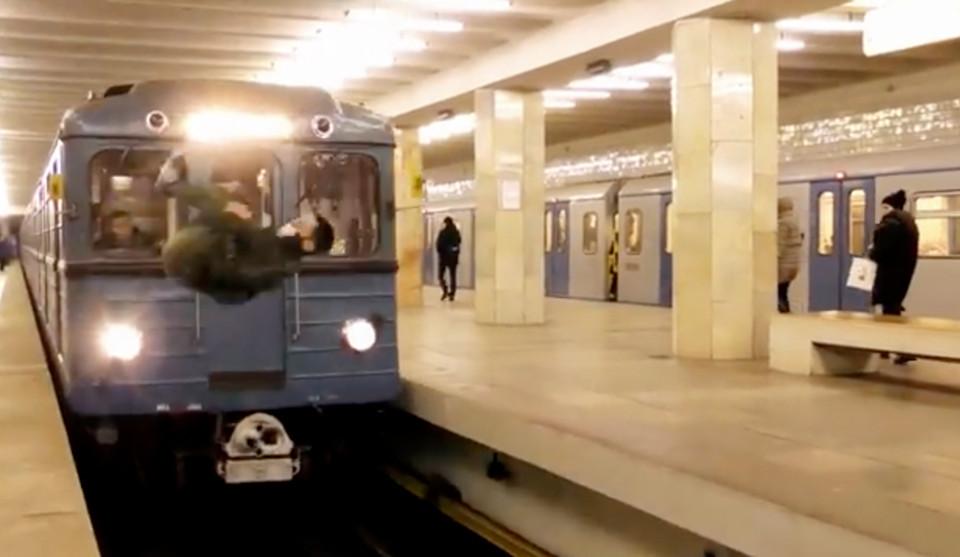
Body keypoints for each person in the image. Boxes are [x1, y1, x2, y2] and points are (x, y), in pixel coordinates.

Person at [869, 189, 919, 364]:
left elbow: (881, 250)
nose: (882, 210)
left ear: (891, 206)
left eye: (884, 206)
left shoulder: (891, 223)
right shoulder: (908, 222)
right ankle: (887, 348)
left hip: (890, 274)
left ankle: (901, 349)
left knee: (890, 312)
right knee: (892, 310)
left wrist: (872, 251)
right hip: (902, 273)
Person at [777, 198, 803, 313]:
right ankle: (786, 312)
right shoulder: (795, 221)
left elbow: (780, 245)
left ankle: (784, 314)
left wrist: (773, 258)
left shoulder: (783, 223)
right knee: (783, 292)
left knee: (779, 293)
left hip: (784, 265)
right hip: (794, 264)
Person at [435, 217, 461, 302]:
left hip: (443, 258)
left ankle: (445, 290)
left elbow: (438, 245)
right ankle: (452, 294)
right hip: (453, 258)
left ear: (445, 223)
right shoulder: (456, 232)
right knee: (453, 276)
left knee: (440, 276)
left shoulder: (442, 232)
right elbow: (458, 242)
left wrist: (441, 252)